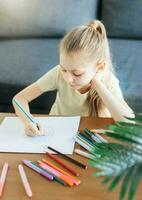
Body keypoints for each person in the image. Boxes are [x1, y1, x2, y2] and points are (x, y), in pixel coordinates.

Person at [13, 20, 134, 136]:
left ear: (100, 67)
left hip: (90, 136)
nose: (68, 79)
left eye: (77, 73)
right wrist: (28, 121)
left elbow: (129, 125)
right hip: (58, 131)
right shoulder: (58, 73)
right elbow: (19, 99)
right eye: (64, 69)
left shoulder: (108, 81)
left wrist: (97, 83)